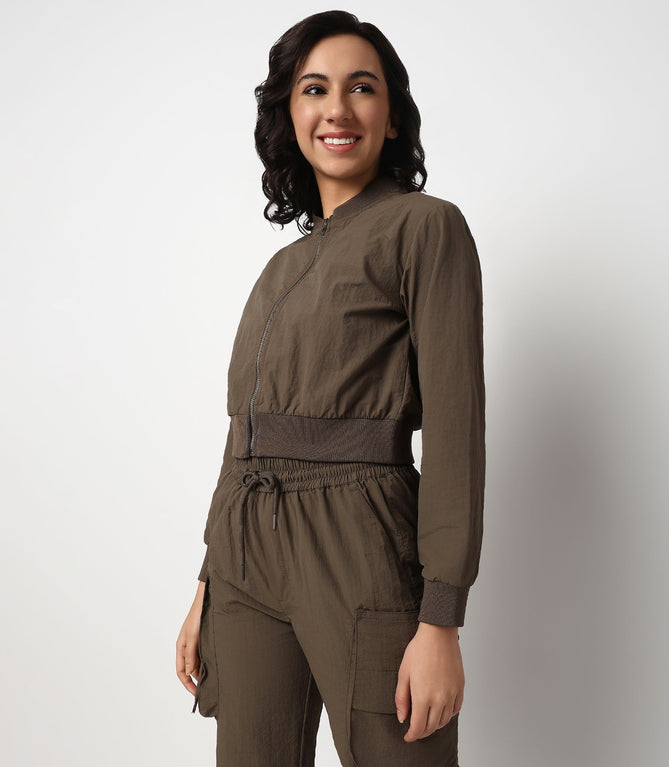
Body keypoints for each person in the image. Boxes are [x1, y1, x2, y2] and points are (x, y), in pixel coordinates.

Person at [175, 10, 485, 766]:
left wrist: (440, 619)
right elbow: (244, 436)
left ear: (392, 116)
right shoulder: (281, 267)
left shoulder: (425, 228)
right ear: (290, 114)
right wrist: (208, 581)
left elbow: (456, 432)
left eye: (361, 88)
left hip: (360, 539)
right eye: (314, 89)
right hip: (245, 556)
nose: (337, 109)